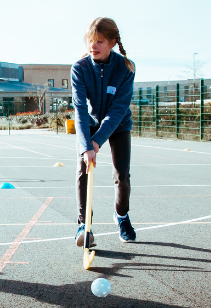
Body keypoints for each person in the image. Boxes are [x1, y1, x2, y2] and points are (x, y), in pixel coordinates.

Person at [71, 17, 137, 247]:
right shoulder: (80, 68)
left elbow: (118, 109)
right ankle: (83, 225)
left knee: (122, 175)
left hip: (118, 125)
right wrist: (87, 146)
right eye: (91, 40)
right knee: (83, 169)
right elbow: (79, 109)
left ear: (112, 42)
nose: (93, 46)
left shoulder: (126, 68)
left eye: (99, 41)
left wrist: (98, 141)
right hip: (89, 122)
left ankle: (122, 217)